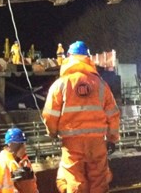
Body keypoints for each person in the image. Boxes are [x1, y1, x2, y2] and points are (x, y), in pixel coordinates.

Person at [42, 40, 120, 193]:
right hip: (97, 143)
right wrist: (112, 138)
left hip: (72, 144)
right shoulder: (101, 85)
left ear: (68, 57)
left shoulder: (61, 84)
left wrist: (52, 132)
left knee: (75, 182)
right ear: (88, 58)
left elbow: (49, 114)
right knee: (99, 181)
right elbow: (113, 114)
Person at [0, 127, 38, 193]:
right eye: (20, 143)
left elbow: (33, 188)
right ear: (10, 144)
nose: (24, 146)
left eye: (23, 143)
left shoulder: (25, 162)